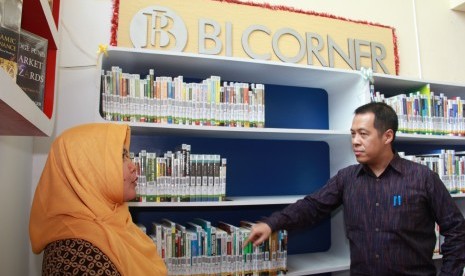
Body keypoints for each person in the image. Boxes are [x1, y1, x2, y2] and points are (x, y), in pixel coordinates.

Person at [245, 102, 465, 275]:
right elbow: (311, 206)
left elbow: (456, 230)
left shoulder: (422, 178)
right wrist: (271, 223)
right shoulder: (347, 178)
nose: (355, 141)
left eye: (363, 134)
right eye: (353, 134)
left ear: (387, 136)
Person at [29, 123, 167, 275]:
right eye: (121, 157)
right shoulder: (76, 254)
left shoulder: (118, 218)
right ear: (87, 171)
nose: (133, 166)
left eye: (128, 156)